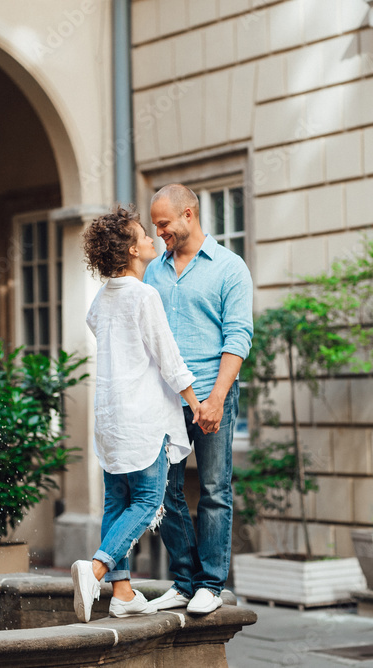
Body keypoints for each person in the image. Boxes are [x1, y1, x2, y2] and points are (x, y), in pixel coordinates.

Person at [71, 206, 201, 624]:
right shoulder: (144, 295)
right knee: (148, 501)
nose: (151, 240)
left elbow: (98, 326)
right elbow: (168, 356)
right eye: (143, 236)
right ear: (130, 249)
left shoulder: (103, 298)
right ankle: (95, 571)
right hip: (142, 416)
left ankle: (123, 593)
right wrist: (196, 402)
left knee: (117, 501)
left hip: (109, 417)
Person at [144, 183, 253, 615]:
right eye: (154, 226)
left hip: (212, 396)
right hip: (166, 403)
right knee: (162, 492)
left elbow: (238, 335)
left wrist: (216, 398)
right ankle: (185, 580)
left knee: (213, 489)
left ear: (189, 214)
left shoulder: (229, 267)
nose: (159, 234)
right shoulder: (154, 271)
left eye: (164, 224)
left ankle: (210, 583)